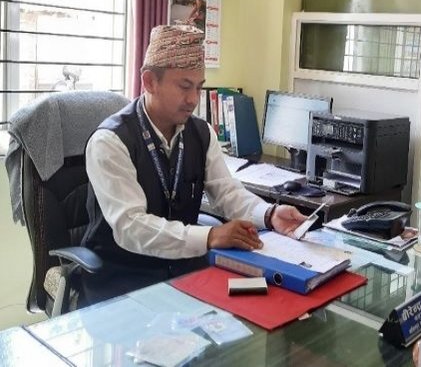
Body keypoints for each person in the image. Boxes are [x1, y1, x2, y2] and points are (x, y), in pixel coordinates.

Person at [82, 24, 305, 304]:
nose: (193, 100)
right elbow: (131, 228)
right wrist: (210, 236)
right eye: (184, 86)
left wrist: (269, 214)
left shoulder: (200, 133)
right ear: (150, 81)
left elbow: (226, 192)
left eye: (198, 88)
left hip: (183, 272)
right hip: (124, 278)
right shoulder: (111, 142)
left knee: (259, 309)